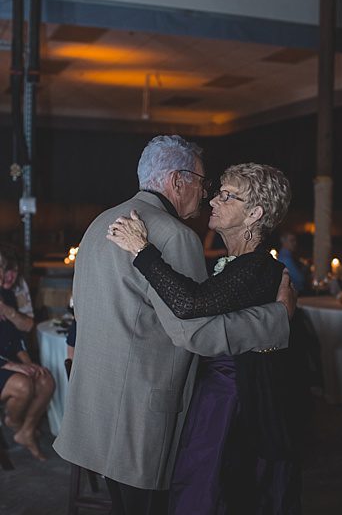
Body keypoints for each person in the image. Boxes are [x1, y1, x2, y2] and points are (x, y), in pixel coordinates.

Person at [54, 135, 295, 514]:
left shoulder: (101, 222)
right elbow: (192, 331)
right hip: (141, 416)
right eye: (202, 182)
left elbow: (82, 314)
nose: (206, 196)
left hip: (95, 408)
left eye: (223, 193)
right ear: (178, 181)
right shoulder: (174, 235)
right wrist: (276, 319)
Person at [107, 163, 305, 513]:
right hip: (217, 393)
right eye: (218, 192)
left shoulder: (258, 266)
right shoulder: (235, 263)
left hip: (233, 403)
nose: (213, 199)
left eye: (227, 196)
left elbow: (189, 304)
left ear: (255, 213)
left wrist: (142, 249)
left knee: (208, 490)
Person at [0, 249, 53, 460]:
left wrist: (31, 364)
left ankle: (26, 431)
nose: (4, 275)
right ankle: (14, 421)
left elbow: (16, 339)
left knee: (45, 379)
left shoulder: (8, 295)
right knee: (24, 384)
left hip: (8, 361)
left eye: (2, 268)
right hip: (3, 365)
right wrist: (13, 366)